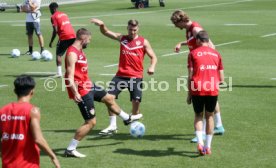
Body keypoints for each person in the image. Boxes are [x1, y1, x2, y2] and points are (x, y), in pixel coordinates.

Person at [64, 28, 142, 157]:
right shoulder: (72, 53)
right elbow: (69, 76)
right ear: (83, 39)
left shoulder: (80, 50)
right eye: (88, 40)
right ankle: (70, 149)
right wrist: (75, 92)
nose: (89, 42)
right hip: (82, 91)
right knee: (91, 122)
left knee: (109, 98)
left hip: (88, 85)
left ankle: (127, 118)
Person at [91, 18, 157, 135]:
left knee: (136, 103)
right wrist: (102, 25)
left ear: (138, 29)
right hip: (120, 75)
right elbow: (106, 32)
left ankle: (135, 126)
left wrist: (152, 66)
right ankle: (112, 126)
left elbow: (154, 57)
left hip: (135, 76)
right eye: (130, 29)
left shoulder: (143, 42)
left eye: (135, 30)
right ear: (127, 28)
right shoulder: (122, 38)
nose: (132, 32)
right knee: (108, 98)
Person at [170, 9, 225, 143]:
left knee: (202, 106)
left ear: (181, 20)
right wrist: (181, 44)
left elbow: (211, 46)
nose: (175, 26)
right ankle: (219, 126)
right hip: (199, 64)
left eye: (176, 23)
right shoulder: (189, 30)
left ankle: (203, 133)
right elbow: (193, 42)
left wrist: (208, 64)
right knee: (211, 98)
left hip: (202, 68)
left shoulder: (195, 28)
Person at [0, 75, 60, 168]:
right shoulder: (32, 111)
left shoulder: (3, 110)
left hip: (7, 165)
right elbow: (38, 139)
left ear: (15, 91)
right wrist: (53, 156)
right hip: (28, 165)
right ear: (32, 91)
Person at [186, 30, 224, 155]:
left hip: (197, 88)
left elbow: (190, 75)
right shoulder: (216, 54)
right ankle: (207, 146)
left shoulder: (193, 53)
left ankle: (200, 143)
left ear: (197, 40)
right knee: (209, 116)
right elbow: (222, 79)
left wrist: (189, 93)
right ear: (208, 40)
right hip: (212, 89)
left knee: (198, 116)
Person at [49, 2, 76, 77]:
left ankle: (59, 73)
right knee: (74, 53)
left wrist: (51, 41)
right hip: (73, 35)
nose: (50, 11)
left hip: (64, 36)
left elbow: (55, 30)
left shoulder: (53, 16)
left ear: (53, 9)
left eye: (50, 9)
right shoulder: (64, 14)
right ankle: (75, 70)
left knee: (59, 55)